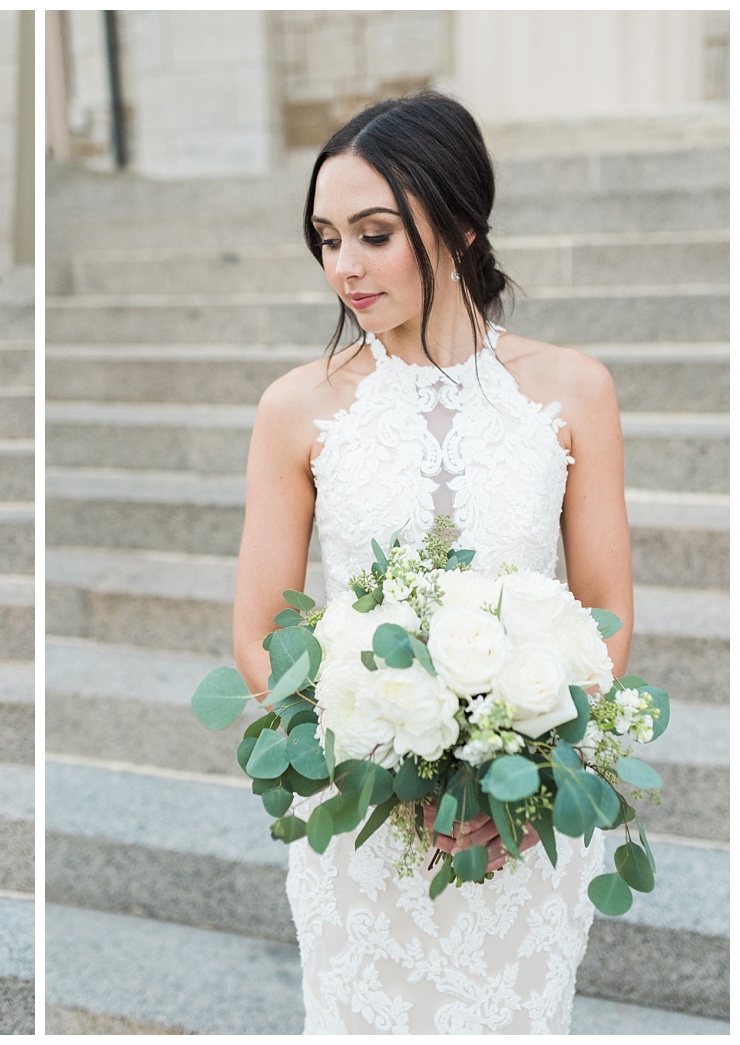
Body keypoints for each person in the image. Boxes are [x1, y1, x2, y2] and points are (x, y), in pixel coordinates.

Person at [232, 92, 633, 1033]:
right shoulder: (297, 407)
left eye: (374, 234)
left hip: (522, 817)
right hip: (364, 816)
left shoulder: (576, 390)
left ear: (458, 222)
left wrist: (522, 773)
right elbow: (260, 633)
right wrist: (383, 766)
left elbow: (605, 617)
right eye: (328, 239)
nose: (346, 267)